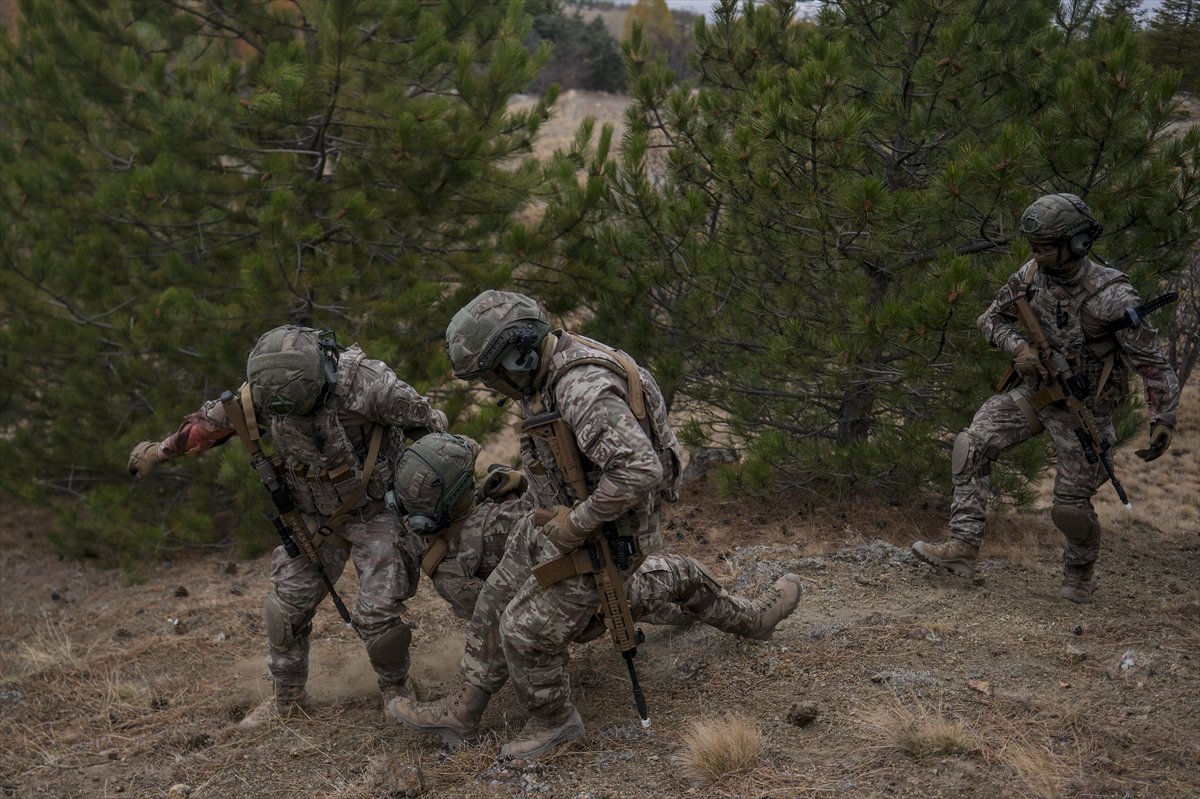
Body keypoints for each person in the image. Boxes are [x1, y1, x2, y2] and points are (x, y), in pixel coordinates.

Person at [386, 290, 804, 759]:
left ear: (516, 357)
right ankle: (463, 714)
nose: (490, 388)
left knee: (524, 630)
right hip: (562, 518)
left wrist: (577, 522)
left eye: (489, 376)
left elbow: (639, 470)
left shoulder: (580, 386)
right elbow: (580, 456)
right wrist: (530, 481)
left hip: (607, 535)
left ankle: (555, 721)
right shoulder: (547, 370)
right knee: (495, 598)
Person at [127, 325, 448, 731]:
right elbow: (210, 426)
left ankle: (396, 690)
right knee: (284, 610)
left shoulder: (369, 384)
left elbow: (430, 426)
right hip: (312, 516)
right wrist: (159, 451)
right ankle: (288, 700)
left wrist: (430, 490)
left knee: (378, 616)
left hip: (376, 509)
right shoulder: (264, 390)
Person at [911, 193, 1180, 603]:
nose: (1037, 253)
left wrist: (1164, 417)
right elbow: (990, 318)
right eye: (1034, 246)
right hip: (1037, 394)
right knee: (973, 444)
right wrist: (1019, 348)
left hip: (1084, 409)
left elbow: (1152, 361)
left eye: (1046, 246)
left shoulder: (1112, 295)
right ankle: (963, 548)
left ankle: (1079, 578)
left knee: (1070, 508)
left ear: (1077, 243)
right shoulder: (1031, 275)